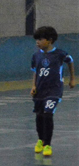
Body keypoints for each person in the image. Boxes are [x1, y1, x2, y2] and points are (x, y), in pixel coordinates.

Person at [30, 26, 74, 157]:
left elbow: (70, 61)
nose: (37, 42)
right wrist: (33, 86)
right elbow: (35, 72)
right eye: (36, 39)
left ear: (49, 41)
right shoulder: (36, 55)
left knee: (48, 115)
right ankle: (40, 140)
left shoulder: (60, 54)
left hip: (54, 90)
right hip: (40, 90)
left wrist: (72, 79)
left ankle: (48, 144)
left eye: (40, 39)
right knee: (39, 116)